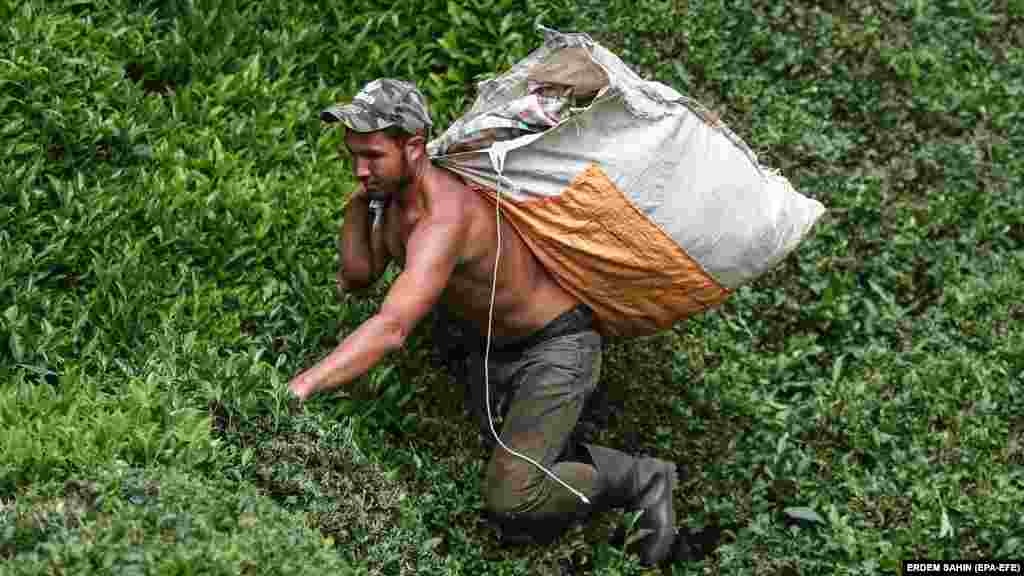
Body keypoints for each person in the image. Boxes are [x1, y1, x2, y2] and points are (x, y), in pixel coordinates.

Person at [287, 78, 681, 566]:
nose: (359, 169)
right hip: (497, 350)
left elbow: (392, 328)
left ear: (413, 148)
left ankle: (642, 478)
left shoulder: (445, 217)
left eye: (371, 156)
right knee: (520, 460)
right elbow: (360, 275)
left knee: (511, 499)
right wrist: (358, 201)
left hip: (556, 349)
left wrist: (303, 386)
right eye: (353, 156)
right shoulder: (388, 201)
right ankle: (564, 456)